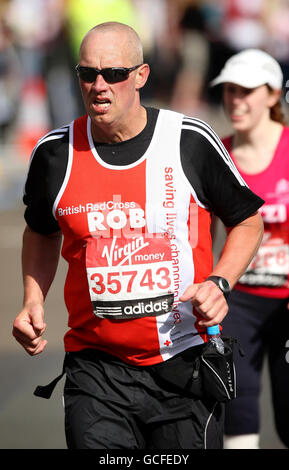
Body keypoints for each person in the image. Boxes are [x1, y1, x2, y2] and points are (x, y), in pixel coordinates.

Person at [12, 22, 264, 450]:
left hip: (184, 362)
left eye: (113, 73)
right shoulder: (55, 154)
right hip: (96, 370)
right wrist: (32, 300)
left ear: (141, 76)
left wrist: (221, 282)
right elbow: (40, 231)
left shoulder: (188, 140)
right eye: (87, 74)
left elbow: (248, 220)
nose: (99, 86)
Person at [211, 48, 289, 449]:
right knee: (237, 417)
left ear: (274, 95)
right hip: (237, 304)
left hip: (287, 304)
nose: (235, 100)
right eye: (228, 90)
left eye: (246, 90)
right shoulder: (214, 155)